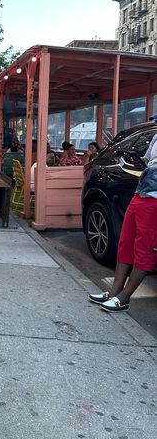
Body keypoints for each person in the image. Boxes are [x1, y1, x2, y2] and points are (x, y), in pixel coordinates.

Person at [89, 132, 157, 311]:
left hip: (154, 200)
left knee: (144, 248)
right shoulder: (156, 137)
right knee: (125, 242)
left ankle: (124, 297)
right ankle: (114, 292)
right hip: (141, 194)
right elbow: (147, 161)